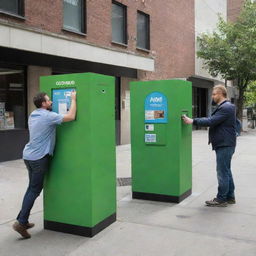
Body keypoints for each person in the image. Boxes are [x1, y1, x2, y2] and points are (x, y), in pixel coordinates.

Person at [13, 91, 77, 238]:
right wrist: (73, 99)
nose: (51, 102)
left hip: (28, 156)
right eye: (49, 101)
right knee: (34, 190)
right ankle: (21, 222)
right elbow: (71, 116)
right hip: (38, 158)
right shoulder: (48, 116)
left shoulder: (33, 114)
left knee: (31, 188)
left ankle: (22, 219)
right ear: (43, 103)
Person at [182, 85, 236, 207]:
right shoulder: (225, 107)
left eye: (214, 94)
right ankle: (230, 197)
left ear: (221, 94)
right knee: (226, 170)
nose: (212, 96)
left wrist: (193, 121)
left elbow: (211, 121)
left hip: (225, 143)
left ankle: (221, 199)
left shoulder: (226, 107)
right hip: (225, 143)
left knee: (222, 172)